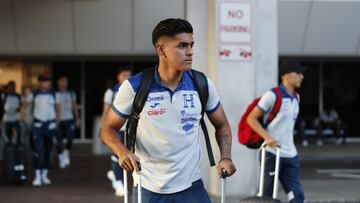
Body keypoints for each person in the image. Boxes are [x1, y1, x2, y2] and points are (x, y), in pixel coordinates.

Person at [101, 18, 236, 203]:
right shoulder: (135, 86)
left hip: (192, 187)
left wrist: (226, 157)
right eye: (182, 46)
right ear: (161, 49)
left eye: (191, 45)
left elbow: (222, 125)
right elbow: (107, 129)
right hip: (148, 188)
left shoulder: (202, 84)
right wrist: (122, 152)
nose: (190, 52)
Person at [247, 61, 306, 203]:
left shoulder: (296, 97)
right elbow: (251, 118)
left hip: (291, 155)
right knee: (266, 197)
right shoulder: (272, 95)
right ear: (286, 75)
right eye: (298, 73)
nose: (302, 76)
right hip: (272, 154)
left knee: (298, 197)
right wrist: (267, 138)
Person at [100, 68, 132, 197]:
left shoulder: (133, 89)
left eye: (130, 75)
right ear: (118, 77)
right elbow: (106, 111)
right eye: (124, 75)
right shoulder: (111, 92)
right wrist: (102, 130)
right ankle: (119, 183)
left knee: (128, 155)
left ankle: (114, 174)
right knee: (118, 155)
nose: (127, 77)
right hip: (116, 129)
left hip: (130, 129)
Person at [31, 73, 58, 186]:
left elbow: (58, 108)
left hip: (50, 125)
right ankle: (37, 175)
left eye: (48, 81)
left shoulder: (53, 93)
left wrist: (56, 122)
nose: (47, 83)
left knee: (48, 150)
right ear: (40, 82)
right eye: (45, 81)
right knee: (37, 150)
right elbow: (26, 106)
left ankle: (45, 175)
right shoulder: (34, 94)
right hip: (38, 125)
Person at [55, 76, 80, 169]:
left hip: (69, 119)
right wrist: (56, 121)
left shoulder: (71, 93)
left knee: (70, 138)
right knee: (59, 140)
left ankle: (66, 152)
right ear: (58, 82)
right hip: (59, 120)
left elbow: (74, 106)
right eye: (62, 81)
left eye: (66, 81)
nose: (64, 83)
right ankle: (61, 157)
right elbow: (57, 108)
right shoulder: (56, 93)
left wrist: (77, 118)